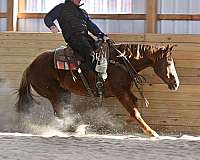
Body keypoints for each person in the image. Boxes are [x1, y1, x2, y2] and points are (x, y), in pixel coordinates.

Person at [44, 0, 109, 79]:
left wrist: (101, 35)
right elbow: (48, 17)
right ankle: (92, 79)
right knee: (89, 53)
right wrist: (52, 26)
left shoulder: (82, 12)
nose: (80, 0)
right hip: (73, 37)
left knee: (100, 49)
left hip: (85, 37)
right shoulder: (61, 7)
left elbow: (91, 25)